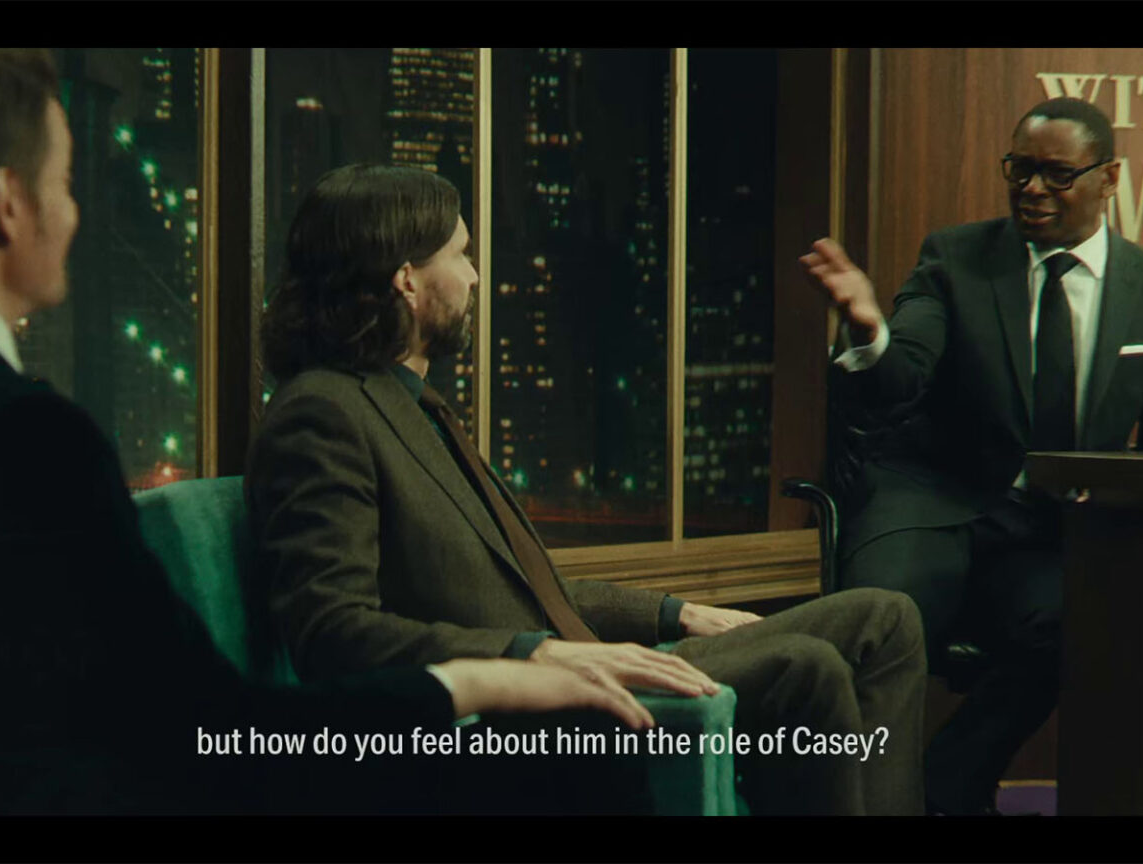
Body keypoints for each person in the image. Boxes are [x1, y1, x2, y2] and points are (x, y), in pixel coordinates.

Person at [0, 48, 656, 816]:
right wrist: (473, 681)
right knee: (577, 755)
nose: (75, 215)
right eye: (66, 183)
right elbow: (204, 731)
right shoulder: (26, 437)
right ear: (9, 204)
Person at [245, 163, 928, 816]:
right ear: (406, 281)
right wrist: (531, 654)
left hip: (584, 654)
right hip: (530, 706)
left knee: (885, 620)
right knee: (805, 666)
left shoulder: (413, 405)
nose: (475, 275)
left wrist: (677, 613)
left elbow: (522, 585)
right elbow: (333, 633)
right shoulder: (324, 414)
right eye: (461, 255)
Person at [801, 97, 1143, 814]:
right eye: (1020, 170)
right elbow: (902, 375)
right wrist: (868, 330)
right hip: (933, 503)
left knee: (1083, 628)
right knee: (873, 624)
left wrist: (1112, 500)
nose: (1032, 190)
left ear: (1110, 178)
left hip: (1052, 529)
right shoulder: (955, 259)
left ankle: (946, 788)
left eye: (1057, 174)